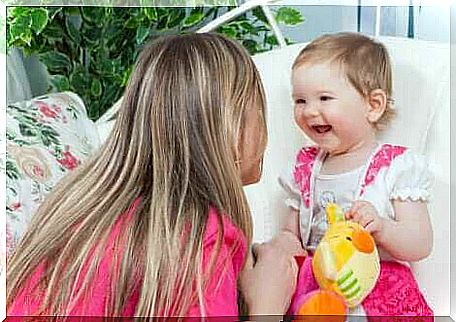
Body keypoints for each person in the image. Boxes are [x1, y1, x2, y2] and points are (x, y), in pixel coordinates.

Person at [7, 32, 304, 318]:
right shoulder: (202, 242)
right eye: (258, 110)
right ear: (231, 126)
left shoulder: (76, 206)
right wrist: (267, 305)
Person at [279, 32, 434, 317]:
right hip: (318, 289)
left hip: (378, 286)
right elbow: (293, 234)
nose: (310, 111)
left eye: (324, 98)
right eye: (300, 100)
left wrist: (383, 228)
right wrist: (280, 251)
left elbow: (420, 242)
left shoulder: (395, 166)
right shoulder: (304, 168)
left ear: (373, 106)